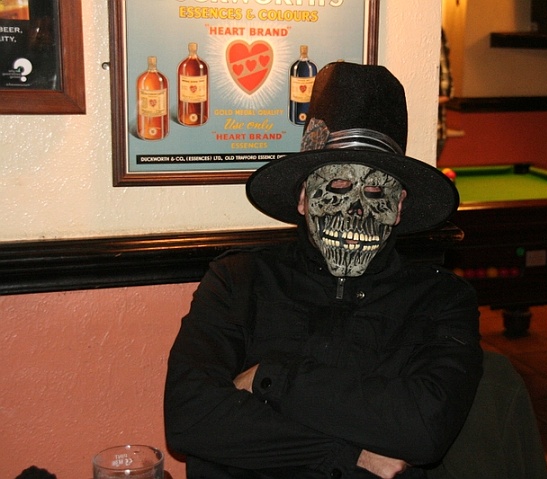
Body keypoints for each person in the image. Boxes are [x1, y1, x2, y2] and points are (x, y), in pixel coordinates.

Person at [164, 61, 483, 479]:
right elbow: (191, 416)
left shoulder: (441, 299)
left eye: (375, 191)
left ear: (399, 206)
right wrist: (349, 454)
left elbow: (424, 428)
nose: (356, 210)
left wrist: (272, 378)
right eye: (338, 187)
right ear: (303, 197)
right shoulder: (238, 280)